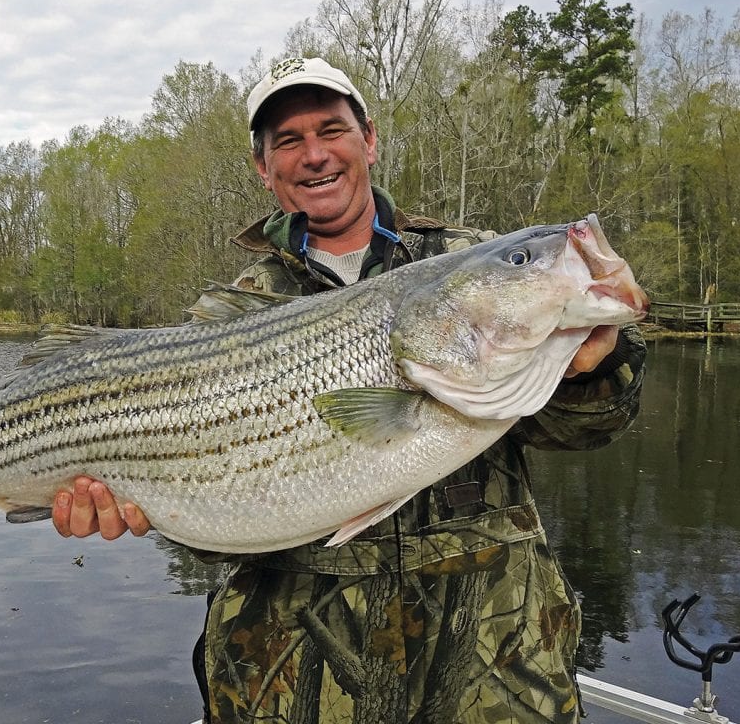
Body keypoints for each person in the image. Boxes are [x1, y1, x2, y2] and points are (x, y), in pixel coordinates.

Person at [51, 57, 646, 723]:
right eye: (287, 140)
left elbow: (590, 427)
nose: (313, 155)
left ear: (369, 139)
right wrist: (142, 506)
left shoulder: (459, 257)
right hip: (293, 678)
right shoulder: (232, 312)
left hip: (493, 666)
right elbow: (217, 526)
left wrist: (596, 362)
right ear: (262, 169)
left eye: (330, 130)